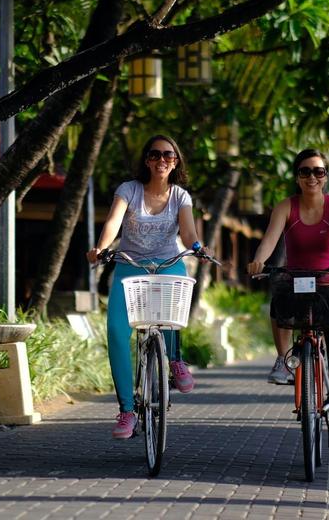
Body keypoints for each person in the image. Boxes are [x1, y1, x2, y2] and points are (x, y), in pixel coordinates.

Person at [246, 148, 329, 451]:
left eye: (318, 171)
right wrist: (258, 261)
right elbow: (269, 240)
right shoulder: (285, 207)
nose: (312, 177)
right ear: (297, 177)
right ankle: (282, 360)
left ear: (325, 176)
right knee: (279, 297)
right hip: (296, 281)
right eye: (305, 171)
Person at [87, 135, 210, 440]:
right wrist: (101, 247)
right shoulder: (129, 190)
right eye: (155, 155)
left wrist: (197, 246)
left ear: (176, 161)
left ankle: (176, 359)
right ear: (146, 160)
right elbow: (113, 223)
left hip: (168, 264)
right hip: (130, 266)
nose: (161, 160)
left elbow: (188, 231)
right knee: (116, 331)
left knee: (172, 314)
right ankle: (127, 410)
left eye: (168, 155)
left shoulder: (181, 196)